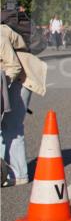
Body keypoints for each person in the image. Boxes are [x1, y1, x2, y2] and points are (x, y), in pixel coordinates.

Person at [1, 24, 30, 187]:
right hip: (5, 79)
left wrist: (2, 86)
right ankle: (5, 170)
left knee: (12, 125)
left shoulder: (0, 37)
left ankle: (19, 175)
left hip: (22, 78)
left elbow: (14, 66)